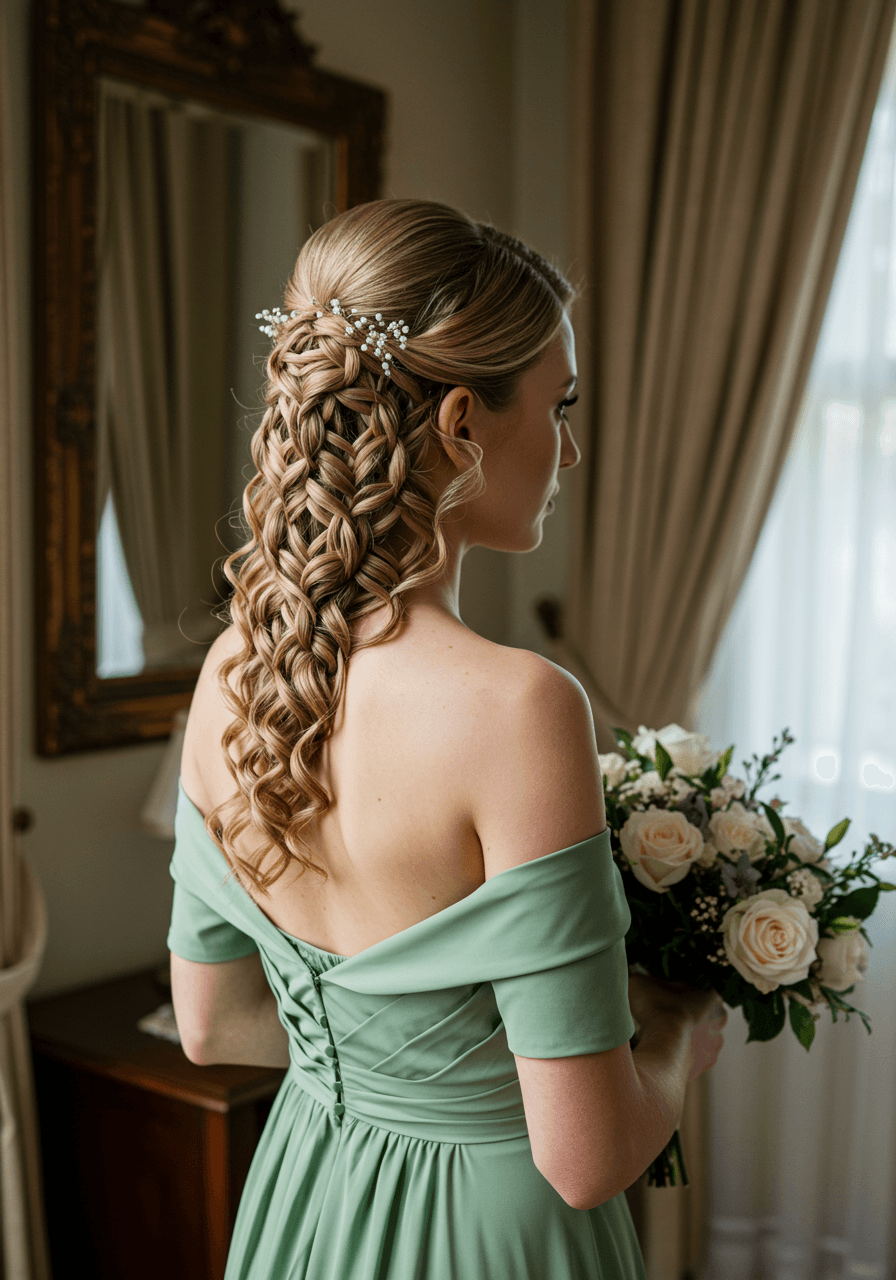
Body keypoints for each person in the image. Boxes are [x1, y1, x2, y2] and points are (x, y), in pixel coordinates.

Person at [167, 198, 726, 1280]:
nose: (568, 448)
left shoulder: (235, 667)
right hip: (491, 1229)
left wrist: (386, 1078)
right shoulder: (519, 706)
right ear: (463, 423)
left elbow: (214, 1024)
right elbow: (585, 1155)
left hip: (308, 1196)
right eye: (557, 407)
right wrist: (672, 1038)